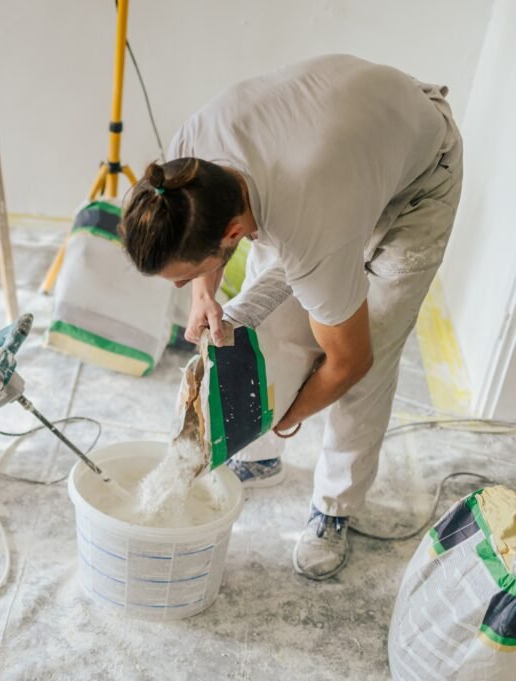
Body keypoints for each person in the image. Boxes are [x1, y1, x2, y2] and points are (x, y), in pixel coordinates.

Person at [119, 54, 463, 580]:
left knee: (375, 336)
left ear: (233, 234)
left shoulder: (310, 226)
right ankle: (256, 458)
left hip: (418, 177)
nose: (188, 287)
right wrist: (203, 298)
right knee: (258, 323)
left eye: (187, 278)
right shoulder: (186, 168)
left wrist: (285, 416)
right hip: (342, 153)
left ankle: (335, 506)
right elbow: (216, 244)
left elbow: (351, 361)